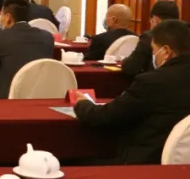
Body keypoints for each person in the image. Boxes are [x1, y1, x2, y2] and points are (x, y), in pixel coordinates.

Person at [75, 19, 190, 164]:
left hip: (145, 161)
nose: (153, 55)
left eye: (153, 50)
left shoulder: (152, 81)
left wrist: (83, 104)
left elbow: (106, 116)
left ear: (166, 51)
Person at [0, 0, 55, 99]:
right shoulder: (47, 37)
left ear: (8, 18)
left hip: (8, 100)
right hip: (40, 99)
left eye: (1, 15)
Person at [123, 1, 180, 78]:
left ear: (156, 19)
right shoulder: (185, 34)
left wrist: (123, 61)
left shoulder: (150, 36)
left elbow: (131, 67)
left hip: (157, 81)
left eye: (151, 19)